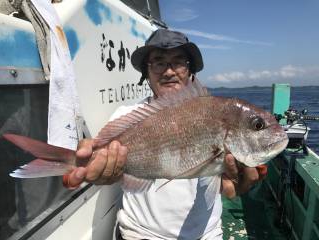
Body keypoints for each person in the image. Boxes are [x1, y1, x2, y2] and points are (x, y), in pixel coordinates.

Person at [64, 29, 263, 239]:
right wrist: (95, 166)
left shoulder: (214, 115)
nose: (169, 72)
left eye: (178, 62)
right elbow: (106, 168)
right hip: (140, 235)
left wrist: (240, 183)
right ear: (146, 73)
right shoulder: (126, 116)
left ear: (190, 70)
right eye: (159, 62)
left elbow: (229, 190)